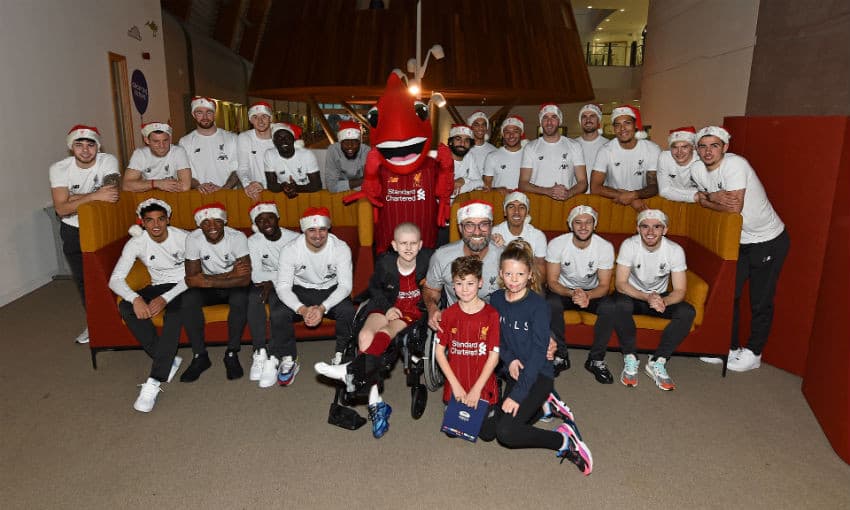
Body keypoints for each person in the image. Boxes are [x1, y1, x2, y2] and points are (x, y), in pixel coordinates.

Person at [479, 240, 593, 475]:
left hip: (537, 374)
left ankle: (563, 441)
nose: (513, 279)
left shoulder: (538, 306)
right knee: (486, 432)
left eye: (520, 274)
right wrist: (509, 359)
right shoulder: (497, 299)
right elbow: (496, 337)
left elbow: (539, 353)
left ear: (529, 274)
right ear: (500, 273)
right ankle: (544, 409)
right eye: (508, 273)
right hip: (515, 370)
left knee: (506, 433)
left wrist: (518, 395)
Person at [314, 222, 432, 438]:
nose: (408, 248)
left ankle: (358, 380)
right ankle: (375, 399)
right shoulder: (386, 263)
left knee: (386, 333)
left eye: (413, 243)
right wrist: (387, 308)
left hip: (412, 311)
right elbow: (375, 289)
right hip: (386, 303)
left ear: (421, 244)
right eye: (403, 243)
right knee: (365, 336)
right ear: (394, 245)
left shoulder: (427, 261)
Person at [691, 126, 789, 372]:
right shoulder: (696, 169)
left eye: (714, 145)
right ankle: (729, 346)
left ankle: (754, 352)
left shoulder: (736, 165)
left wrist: (707, 199)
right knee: (728, 295)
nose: (708, 151)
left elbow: (734, 208)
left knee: (760, 300)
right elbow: (707, 200)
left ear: (725, 147)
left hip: (767, 239)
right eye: (703, 146)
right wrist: (712, 197)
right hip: (739, 242)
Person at [108, 199, 188, 412]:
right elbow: (115, 279)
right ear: (142, 222)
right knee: (125, 307)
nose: (156, 225)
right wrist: (135, 298)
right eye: (149, 220)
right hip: (159, 285)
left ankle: (154, 380)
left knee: (174, 313)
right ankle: (167, 358)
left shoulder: (184, 238)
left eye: (161, 219)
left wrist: (166, 298)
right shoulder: (136, 242)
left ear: (168, 219)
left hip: (185, 287)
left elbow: (195, 275)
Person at [607, 209, 695, 390]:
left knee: (687, 312)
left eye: (657, 227)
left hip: (660, 297)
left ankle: (658, 360)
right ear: (637, 229)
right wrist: (647, 297)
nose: (650, 232)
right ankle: (630, 357)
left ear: (665, 230)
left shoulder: (675, 250)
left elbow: (680, 290)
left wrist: (664, 302)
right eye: (645, 226)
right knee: (618, 304)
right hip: (633, 294)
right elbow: (621, 284)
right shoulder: (629, 245)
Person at [50, 125, 120, 343]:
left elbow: (111, 193)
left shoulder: (107, 161)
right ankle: (94, 323)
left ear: (97, 146)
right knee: (84, 281)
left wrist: (74, 198)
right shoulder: (59, 168)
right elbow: (61, 209)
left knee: (112, 275)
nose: (85, 150)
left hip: (102, 227)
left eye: (90, 145)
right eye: (79, 145)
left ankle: (121, 319)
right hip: (73, 229)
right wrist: (94, 196)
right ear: (71, 147)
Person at [272, 207, 355, 386]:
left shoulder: (340, 248)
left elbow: (346, 286)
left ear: (328, 229)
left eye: (322, 229)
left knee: (348, 310)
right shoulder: (290, 249)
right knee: (279, 313)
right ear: (304, 230)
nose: (318, 235)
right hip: (301, 289)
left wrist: (323, 307)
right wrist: (301, 309)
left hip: (330, 290)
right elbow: (283, 287)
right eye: (312, 230)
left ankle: (342, 356)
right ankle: (288, 358)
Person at [545, 205, 617, 384]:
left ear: (595, 225)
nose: (583, 227)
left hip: (592, 292)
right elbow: (552, 282)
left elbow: (605, 285)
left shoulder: (604, 247)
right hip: (563, 290)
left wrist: (588, 296)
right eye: (578, 222)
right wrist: (571, 293)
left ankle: (596, 359)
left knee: (610, 307)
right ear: (570, 225)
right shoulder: (557, 244)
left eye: (588, 222)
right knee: (550, 303)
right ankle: (560, 356)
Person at [181, 203, 251, 382]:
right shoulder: (193, 238)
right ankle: (200, 356)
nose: (212, 226)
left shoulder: (237, 237)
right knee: (188, 299)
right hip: (215, 286)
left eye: (217, 221)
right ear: (199, 225)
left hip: (231, 286)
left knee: (240, 296)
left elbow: (244, 279)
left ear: (224, 222)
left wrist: (209, 280)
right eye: (206, 223)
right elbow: (191, 279)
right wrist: (229, 275)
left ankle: (231, 353)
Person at [434, 256, 501, 423]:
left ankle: (494, 388)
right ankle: (451, 400)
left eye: (470, 283)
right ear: (452, 284)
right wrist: (455, 387)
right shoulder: (448, 314)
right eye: (459, 283)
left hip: (482, 383)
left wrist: (476, 390)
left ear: (480, 283)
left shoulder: (491, 315)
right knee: (454, 430)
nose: (464, 289)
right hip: (457, 382)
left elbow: (494, 357)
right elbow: (439, 352)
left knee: (487, 433)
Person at [424, 200, 503, 332]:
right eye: (469, 225)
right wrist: (432, 309)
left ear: (491, 227)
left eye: (483, 224)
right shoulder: (442, 256)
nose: (477, 232)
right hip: (456, 327)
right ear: (460, 228)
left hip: (495, 328)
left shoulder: (505, 258)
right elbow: (432, 290)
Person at [246, 202, 299, 385]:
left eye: (269, 217)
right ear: (256, 224)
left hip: (292, 285)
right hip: (266, 284)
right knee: (253, 297)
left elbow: (299, 272)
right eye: (260, 220)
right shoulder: (253, 241)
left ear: (278, 218)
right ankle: (260, 351)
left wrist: (273, 280)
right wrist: (272, 280)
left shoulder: (294, 239)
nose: (266, 222)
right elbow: (255, 274)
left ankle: (277, 356)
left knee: (278, 307)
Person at [590, 105, 660, 211]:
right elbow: (595, 187)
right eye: (617, 125)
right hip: (614, 204)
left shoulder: (652, 149)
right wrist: (630, 197)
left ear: (635, 125)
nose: (622, 128)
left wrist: (633, 195)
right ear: (613, 129)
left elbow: (654, 186)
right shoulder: (605, 150)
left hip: (644, 205)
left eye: (627, 123)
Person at [519, 103, 587, 201]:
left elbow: (583, 182)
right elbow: (523, 184)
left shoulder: (574, 146)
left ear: (559, 121)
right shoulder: (530, 147)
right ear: (541, 122)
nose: (549, 122)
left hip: (565, 202)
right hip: (537, 202)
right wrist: (547, 191)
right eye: (545, 118)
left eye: (554, 117)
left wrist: (568, 193)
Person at [179, 96, 240, 193]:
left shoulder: (232, 138)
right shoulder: (185, 142)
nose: (205, 117)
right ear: (193, 115)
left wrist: (224, 190)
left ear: (214, 114)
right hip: (199, 196)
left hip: (228, 195)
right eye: (199, 113)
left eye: (209, 112)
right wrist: (199, 186)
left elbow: (238, 169)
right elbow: (184, 172)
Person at [123, 122, 192, 192]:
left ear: (170, 139)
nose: (162, 146)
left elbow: (185, 186)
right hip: (148, 198)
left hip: (173, 197)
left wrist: (145, 185)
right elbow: (126, 186)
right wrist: (157, 184)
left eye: (165, 140)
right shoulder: (140, 154)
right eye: (156, 141)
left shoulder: (178, 151)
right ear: (147, 140)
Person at [491, 191, 547, 275]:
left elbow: (540, 270)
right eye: (511, 207)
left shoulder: (538, 236)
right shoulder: (494, 233)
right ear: (505, 212)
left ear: (527, 212)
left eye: (521, 207)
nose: (516, 211)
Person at [263, 123, 321, 197]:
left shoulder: (307, 154)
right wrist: (283, 186)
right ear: (274, 141)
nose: (283, 140)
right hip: (282, 196)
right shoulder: (269, 154)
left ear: (293, 139)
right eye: (279, 137)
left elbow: (317, 185)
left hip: (306, 195)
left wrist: (296, 188)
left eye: (287, 137)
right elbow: (271, 185)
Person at [238, 101, 276, 200]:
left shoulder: (280, 137)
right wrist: (248, 184)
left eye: (264, 116)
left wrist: (263, 184)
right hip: (254, 193)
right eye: (255, 117)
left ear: (271, 118)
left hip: (277, 191)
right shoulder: (244, 137)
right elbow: (242, 167)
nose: (260, 121)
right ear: (251, 120)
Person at [657, 126, 702, 203]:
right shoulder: (664, 157)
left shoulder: (701, 160)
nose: (679, 152)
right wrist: (694, 196)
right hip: (673, 203)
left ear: (693, 147)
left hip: (698, 206)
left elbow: (706, 193)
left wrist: (673, 191)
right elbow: (664, 191)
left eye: (684, 147)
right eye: (675, 147)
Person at [324, 120, 370, 193]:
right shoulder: (333, 150)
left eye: (354, 141)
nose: (350, 146)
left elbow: (370, 184)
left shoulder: (366, 151)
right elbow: (331, 186)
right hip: (340, 194)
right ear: (340, 143)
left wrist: (341, 185)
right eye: (346, 141)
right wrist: (362, 181)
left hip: (360, 194)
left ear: (359, 143)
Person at [483, 115, 525, 192]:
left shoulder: (529, 155)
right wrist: (496, 190)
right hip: (499, 201)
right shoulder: (492, 156)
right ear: (502, 134)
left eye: (515, 131)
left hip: (524, 202)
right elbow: (486, 186)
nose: (511, 135)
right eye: (507, 132)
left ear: (521, 133)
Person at [572, 104, 607, 190]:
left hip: (601, 198)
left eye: (592, 116)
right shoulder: (571, 145)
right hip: (576, 197)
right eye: (584, 117)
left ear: (598, 120)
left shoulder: (608, 145)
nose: (588, 120)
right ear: (580, 121)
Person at [449, 124, 484, 196]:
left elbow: (480, 183)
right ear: (451, 141)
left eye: (466, 141)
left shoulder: (469, 156)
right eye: (458, 139)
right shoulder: (440, 156)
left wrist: (464, 180)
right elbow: (446, 190)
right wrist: (469, 183)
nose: (462, 143)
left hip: (462, 203)